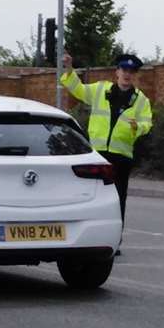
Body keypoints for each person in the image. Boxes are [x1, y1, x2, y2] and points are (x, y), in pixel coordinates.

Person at [60, 52, 154, 227]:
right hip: (97, 154)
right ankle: (91, 233)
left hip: (121, 156)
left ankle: (115, 237)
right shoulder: (100, 89)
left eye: (132, 71)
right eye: (124, 69)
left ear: (135, 75)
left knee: (118, 198)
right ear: (117, 72)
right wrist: (70, 68)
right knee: (92, 196)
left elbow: (147, 123)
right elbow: (78, 89)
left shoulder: (141, 100)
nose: (127, 74)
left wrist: (138, 127)